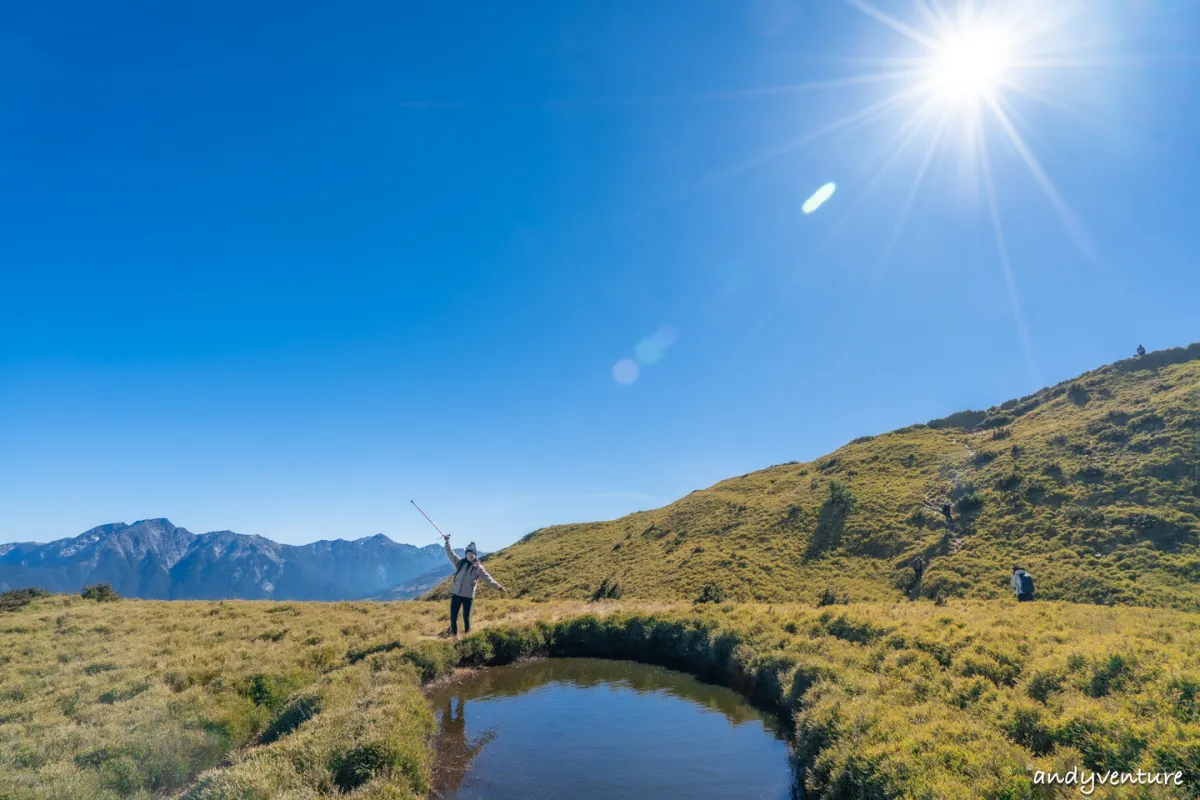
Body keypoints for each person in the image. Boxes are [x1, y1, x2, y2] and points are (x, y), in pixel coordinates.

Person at [443, 533, 507, 637]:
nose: (470, 555)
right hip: (456, 594)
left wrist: (499, 587)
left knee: (466, 617)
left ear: (475, 555)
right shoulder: (459, 562)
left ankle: (467, 637)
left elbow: (488, 579)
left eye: (472, 554)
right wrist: (447, 541)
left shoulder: (478, 568)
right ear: (466, 554)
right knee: (453, 616)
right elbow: (450, 553)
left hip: (468, 597)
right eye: (468, 553)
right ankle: (455, 637)